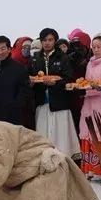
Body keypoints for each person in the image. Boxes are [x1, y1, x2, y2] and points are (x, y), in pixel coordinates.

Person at [30, 28, 81, 161]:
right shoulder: (35, 58)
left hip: (60, 104)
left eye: (50, 40)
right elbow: (31, 77)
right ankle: (45, 161)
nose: (47, 43)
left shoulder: (63, 58)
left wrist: (56, 83)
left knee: (61, 136)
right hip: (42, 102)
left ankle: (63, 161)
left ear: (55, 41)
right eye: (44, 40)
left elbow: (69, 78)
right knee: (43, 135)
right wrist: (31, 82)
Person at [78, 36, 101, 179]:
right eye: (93, 47)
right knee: (87, 131)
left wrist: (93, 87)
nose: (96, 50)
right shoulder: (90, 62)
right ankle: (90, 169)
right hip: (89, 101)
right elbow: (87, 81)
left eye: (99, 47)